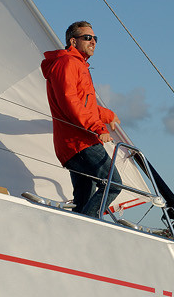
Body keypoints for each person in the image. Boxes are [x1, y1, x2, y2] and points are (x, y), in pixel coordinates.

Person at [41, 21, 122, 217]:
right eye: (87, 38)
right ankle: (89, 226)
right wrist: (98, 128)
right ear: (73, 41)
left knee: (83, 201)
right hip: (79, 142)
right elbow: (70, 102)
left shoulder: (77, 65)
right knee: (113, 184)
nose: (93, 41)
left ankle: (76, 228)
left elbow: (85, 105)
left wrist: (108, 115)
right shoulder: (67, 63)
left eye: (95, 38)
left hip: (76, 143)